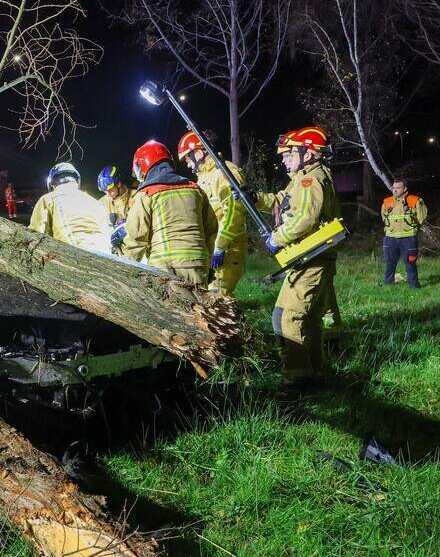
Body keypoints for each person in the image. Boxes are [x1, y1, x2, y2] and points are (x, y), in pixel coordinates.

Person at [255, 126, 342, 386]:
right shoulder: (303, 179)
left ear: (309, 153)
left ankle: (296, 380)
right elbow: (281, 201)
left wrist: (276, 239)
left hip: (310, 259)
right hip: (311, 259)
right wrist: (254, 197)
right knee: (311, 319)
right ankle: (313, 373)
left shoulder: (310, 180)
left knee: (286, 317)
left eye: (288, 154)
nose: (283, 159)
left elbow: (305, 218)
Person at [121, 140, 216, 285]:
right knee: (199, 307)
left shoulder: (147, 194)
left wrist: (123, 270)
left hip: (165, 267)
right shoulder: (196, 190)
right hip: (199, 264)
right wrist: (207, 262)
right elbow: (211, 229)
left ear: (144, 165)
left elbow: (136, 238)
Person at [176, 131, 248, 296]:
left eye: (188, 158)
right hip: (213, 250)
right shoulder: (205, 178)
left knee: (219, 299)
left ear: (199, 152)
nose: (188, 164)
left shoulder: (224, 172)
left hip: (228, 250)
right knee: (210, 299)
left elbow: (234, 212)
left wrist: (220, 246)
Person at [28, 162, 112, 253]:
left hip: (74, 255)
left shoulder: (48, 199)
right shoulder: (96, 203)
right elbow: (107, 236)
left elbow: (35, 235)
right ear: (76, 181)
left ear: (52, 184)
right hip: (105, 256)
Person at [381, 179, 427, 287]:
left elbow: (421, 218)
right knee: (389, 263)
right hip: (390, 238)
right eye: (394, 188)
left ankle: (414, 286)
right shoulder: (387, 202)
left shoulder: (415, 200)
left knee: (410, 263)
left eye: (398, 188)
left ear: (405, 189)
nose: (395, 190)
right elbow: (384, 218)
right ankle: (388, 285)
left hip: (408, 238)